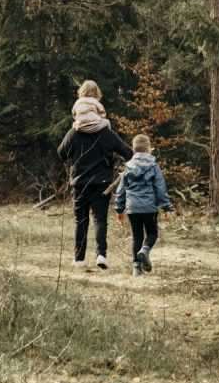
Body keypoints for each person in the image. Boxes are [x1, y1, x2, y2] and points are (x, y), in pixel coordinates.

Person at [57, 112, 132, 270]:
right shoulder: (106, 133)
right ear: (99, 111)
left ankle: (79, 259)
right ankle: (101, 255)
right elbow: (128, 153)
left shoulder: (74, 133)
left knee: (81, 220)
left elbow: (61, 153)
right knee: (100, 220)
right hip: (102, 182)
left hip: (80, 182)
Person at [115, 134, 172, 277]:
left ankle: (136, 268)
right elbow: (160, 188)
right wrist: (166, 207)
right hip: (149, 207)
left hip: (132, 208)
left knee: (137, 236)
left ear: (134, 150)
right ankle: (145, 250)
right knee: (152, 233)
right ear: (148, 149)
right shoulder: (154, 167)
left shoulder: (128, 167)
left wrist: (119, 209)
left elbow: (121, 190)